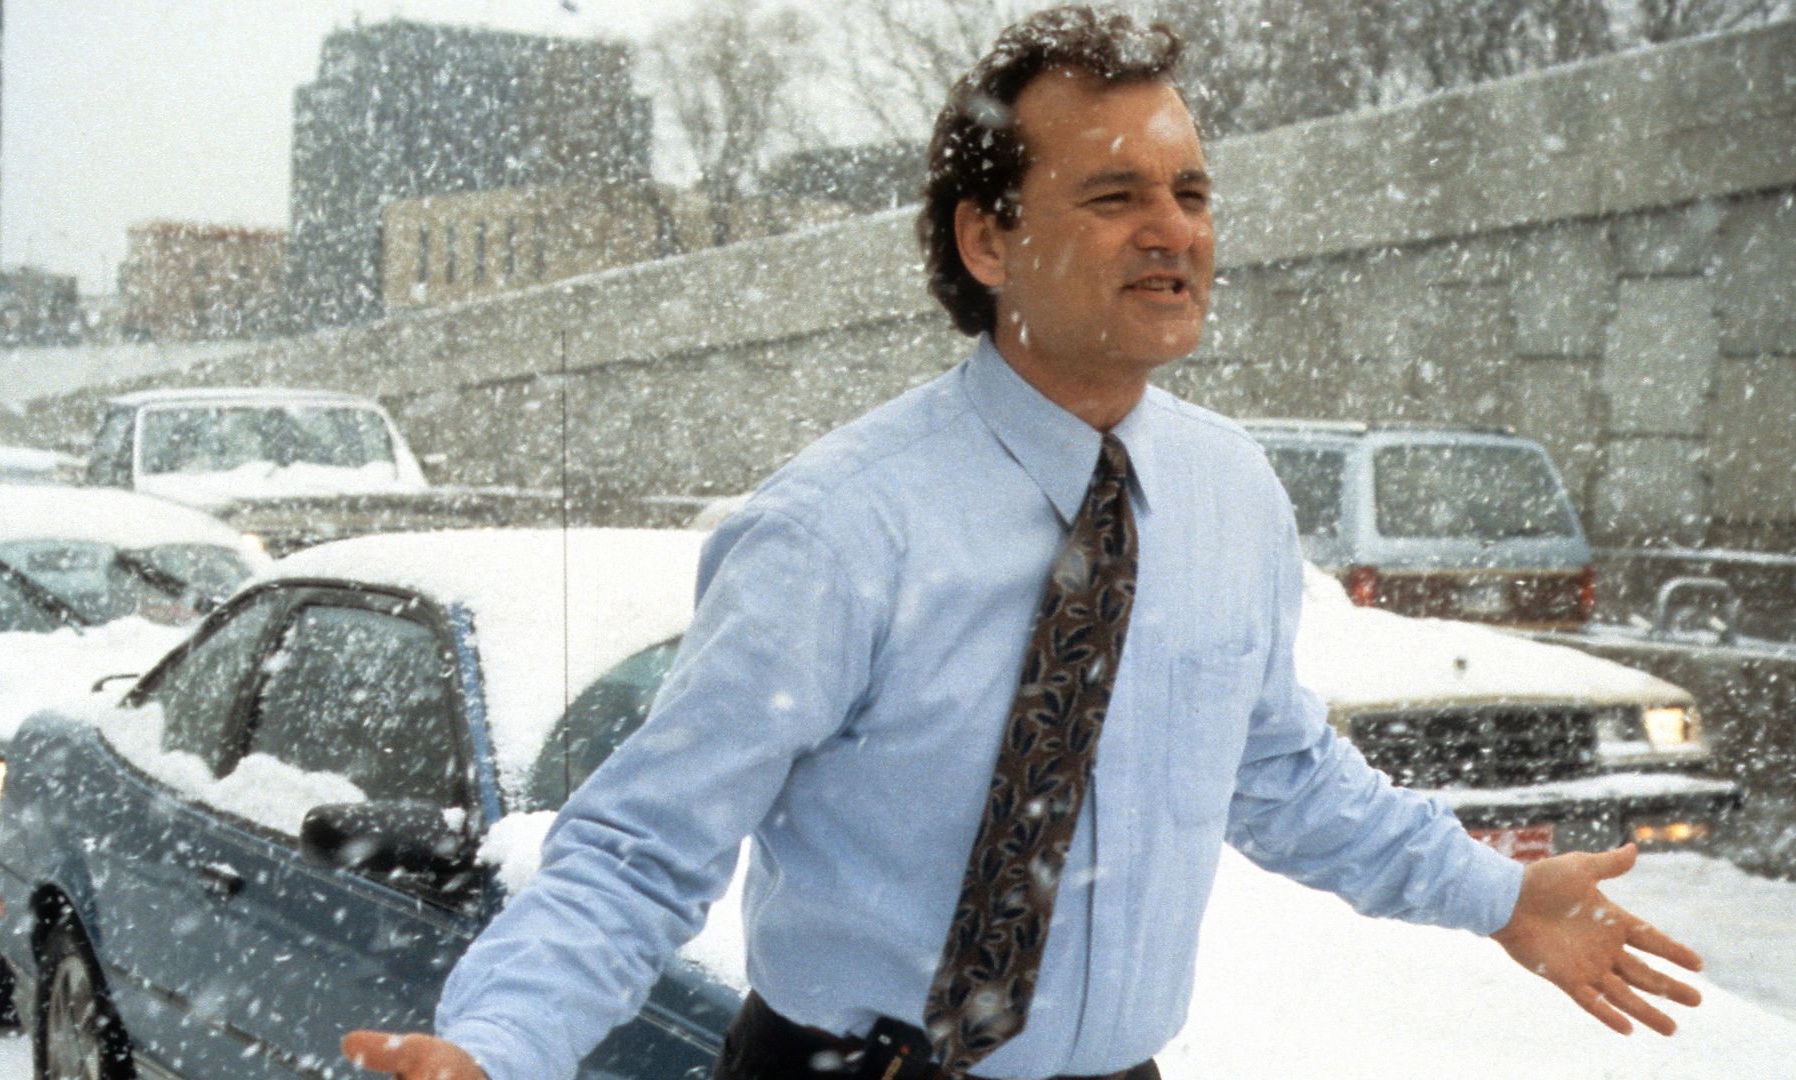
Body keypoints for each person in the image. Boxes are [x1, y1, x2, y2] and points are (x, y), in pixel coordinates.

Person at [345, 8, 1703, 1079]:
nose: (1175, 232)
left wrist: (1497, 897)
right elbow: (647, 845)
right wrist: (498, 1041)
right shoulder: (837, 526)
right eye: (1115, 196)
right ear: (987, 239)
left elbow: (1278, 771)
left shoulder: (1230, 496)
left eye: (1191, 191)